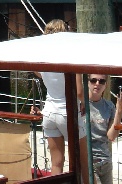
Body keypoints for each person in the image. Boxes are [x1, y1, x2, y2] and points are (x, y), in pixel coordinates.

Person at [34, 19, 88, 178]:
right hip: (68, 112)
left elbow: (36, 72)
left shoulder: (43, 60)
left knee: (56, 163)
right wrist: (84, 103)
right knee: (82, 163)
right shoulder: (70, 58)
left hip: (49, 112)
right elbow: (78, 91)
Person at [84, 74, 122, 184]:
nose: (97, 84)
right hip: (88, 161)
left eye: (101, 81)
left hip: (105, 161)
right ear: (87, 82)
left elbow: (111, 136)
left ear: (105, 85)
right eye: (93, 80)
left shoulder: (109, 106)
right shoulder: (80, 104)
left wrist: (119, 111)